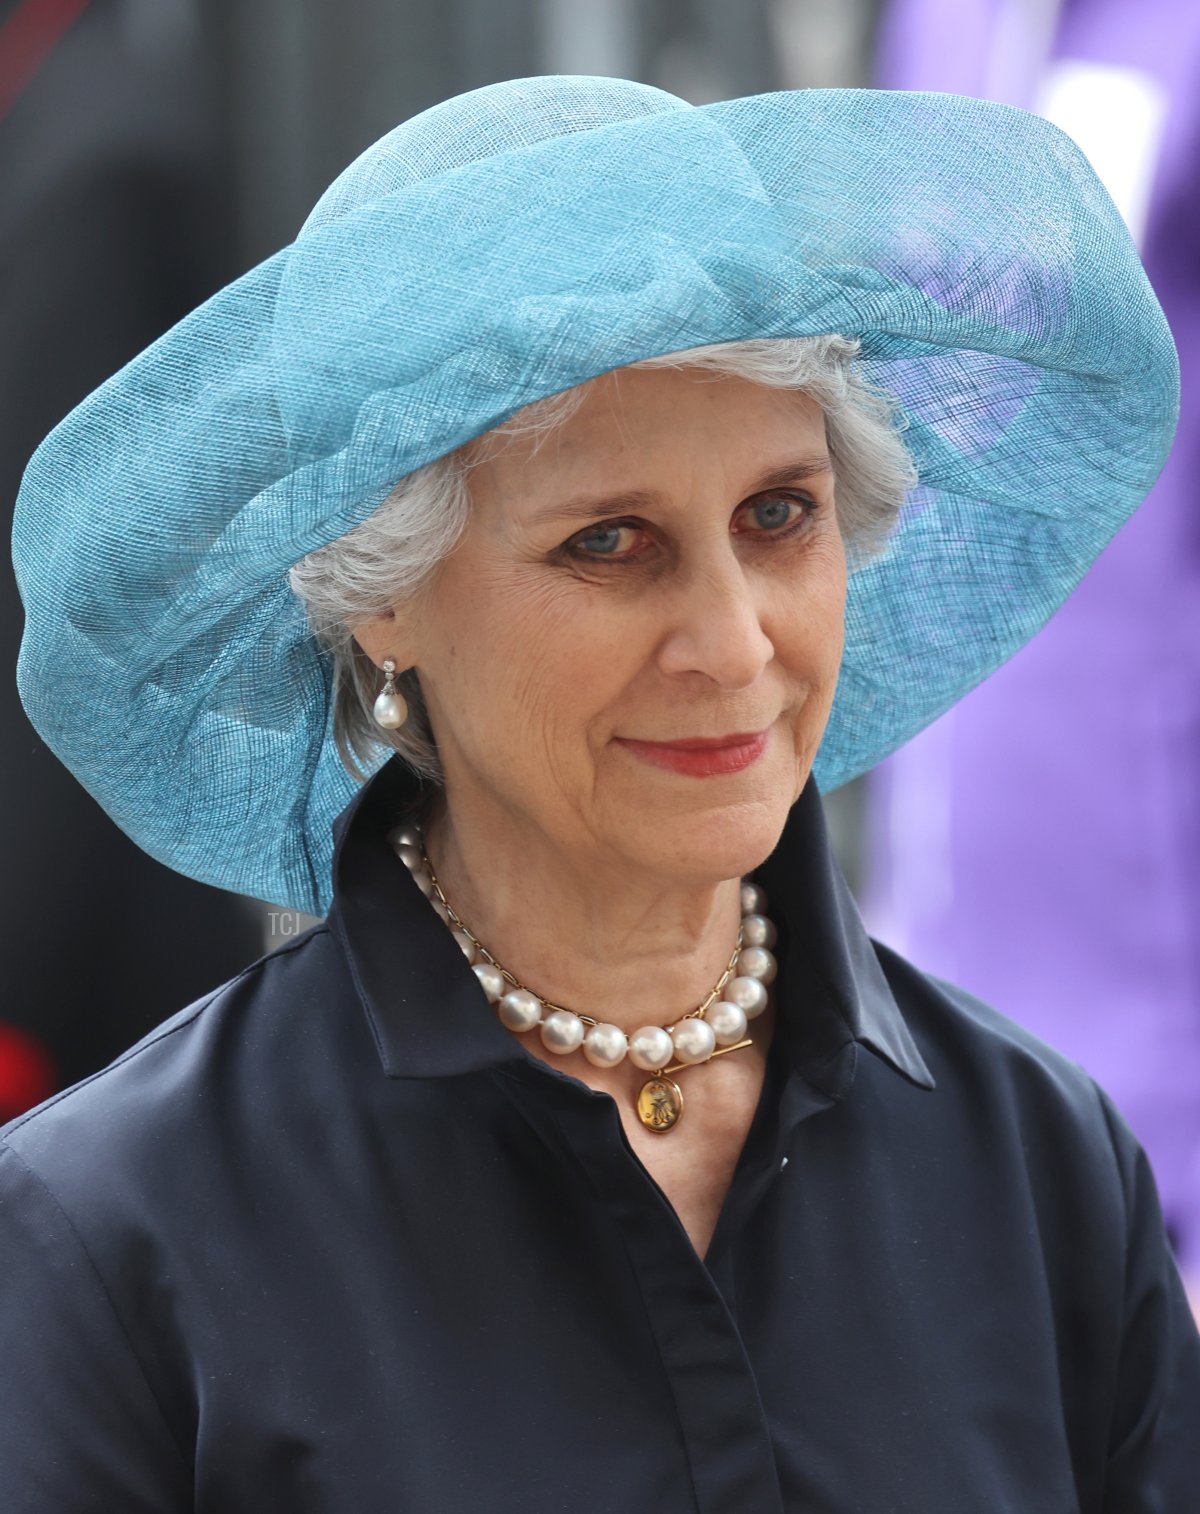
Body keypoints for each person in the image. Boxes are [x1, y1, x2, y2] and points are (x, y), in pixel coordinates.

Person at [4, 75, 1198, 1513]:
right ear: (384, 598)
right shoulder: (117, 1234)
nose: (735, 643)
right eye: (610, 541)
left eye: (779, 515)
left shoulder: (1041, 1169)